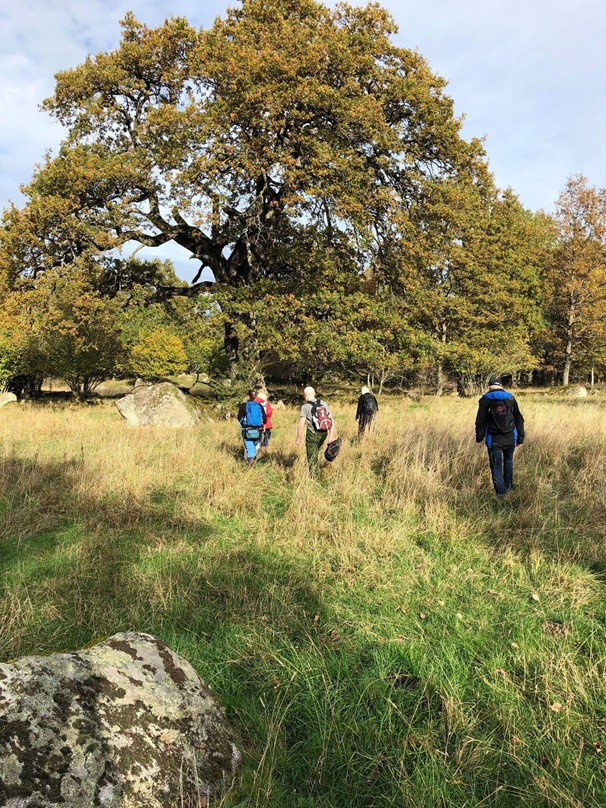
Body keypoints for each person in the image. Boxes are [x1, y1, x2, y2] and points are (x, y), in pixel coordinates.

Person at [475, 377, 525, 497]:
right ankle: (509, 489)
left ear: (489, 387)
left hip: (494, 439)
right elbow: (519, 418)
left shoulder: (485, 400)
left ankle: (501, 495)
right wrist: (521, 436)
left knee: (496, 467)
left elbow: (480, 420)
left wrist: (479, 437)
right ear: (501, 386)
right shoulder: (510, 398)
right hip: (510, 437)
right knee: (508, 462)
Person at [295, 386, 335, 475]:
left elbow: (301, 424)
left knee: (311, 456)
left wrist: (298, 438)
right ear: (314, 393)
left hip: (312, 433)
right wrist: (331, 436)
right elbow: (331, 420)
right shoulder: (323, 403)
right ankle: (317, 470)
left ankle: (314, 478)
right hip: (324, 433)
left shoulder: (305, 407)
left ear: (305, 395)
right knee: (315, 451)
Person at [238, 389, 266, 466]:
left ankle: (250, 463)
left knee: (249, 446)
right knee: (255, 445)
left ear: (247, 396)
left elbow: (239, 417)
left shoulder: (243, 405)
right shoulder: (259, 405)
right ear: (255, 397)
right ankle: (253, 460)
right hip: (258, 430)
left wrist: (243, 425)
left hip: (247, 430)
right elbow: (265, 418)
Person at [255, 390, 273, 455]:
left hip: (256, 424)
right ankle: (263, 454)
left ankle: (256, 452)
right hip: (266, 424)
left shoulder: (254, 403)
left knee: (257, 438)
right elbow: (269, 414)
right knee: (266, 438)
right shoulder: (266, 404)